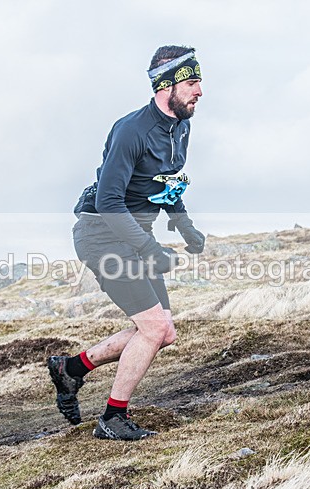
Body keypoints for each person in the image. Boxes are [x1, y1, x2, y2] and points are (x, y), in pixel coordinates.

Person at [47, 45, 206, 441]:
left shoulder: (180, 128)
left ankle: (71, 369)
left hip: (135, 233)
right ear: (165, 85)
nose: (199, 91)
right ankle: (112, 419)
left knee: (164, 332)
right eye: (191, 82)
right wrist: (150, 249)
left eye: (199, 82)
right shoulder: (131, 131)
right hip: (102, 233)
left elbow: (166, 182)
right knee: (153, 329)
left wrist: (184, 225)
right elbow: (108, 201)